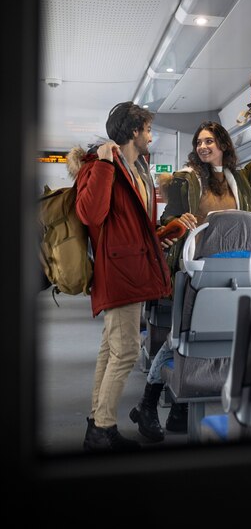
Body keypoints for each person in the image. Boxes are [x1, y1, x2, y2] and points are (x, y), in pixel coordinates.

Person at [129, 94, 251, 442]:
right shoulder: (185, 180)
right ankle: (150, 402)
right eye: (199, 142)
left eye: (210, 140)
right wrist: (179, 218)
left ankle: (182, 404)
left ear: (223, 144)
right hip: (196, 267)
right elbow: (167, 221)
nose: (203, 145)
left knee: (220, 336)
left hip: (237, 269)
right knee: (183, 338)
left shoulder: (239, 179)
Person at [67, 101, 172, 452]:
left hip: (132, 268)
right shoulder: (101, 165)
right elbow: (91, 213)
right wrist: (106, 164)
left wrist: (162, 233)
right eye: (148, 130)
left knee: (109, 350)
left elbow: (132, 226)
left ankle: (99, 424)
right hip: (119, 272)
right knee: (126, 350)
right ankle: (102, 428)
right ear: (133, 132)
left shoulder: (138, 167)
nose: (150, 136)